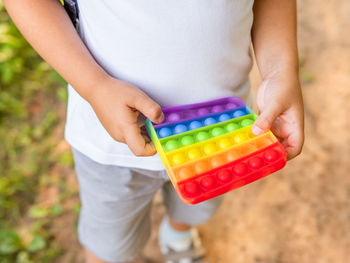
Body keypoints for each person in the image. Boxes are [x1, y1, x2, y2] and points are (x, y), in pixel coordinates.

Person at [3, 0, 304, 262]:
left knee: (196, 208)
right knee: (110, 242)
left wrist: (280, 71)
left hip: (221, 135)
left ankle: (178, 238)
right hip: (112, 147)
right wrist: (95, 87)